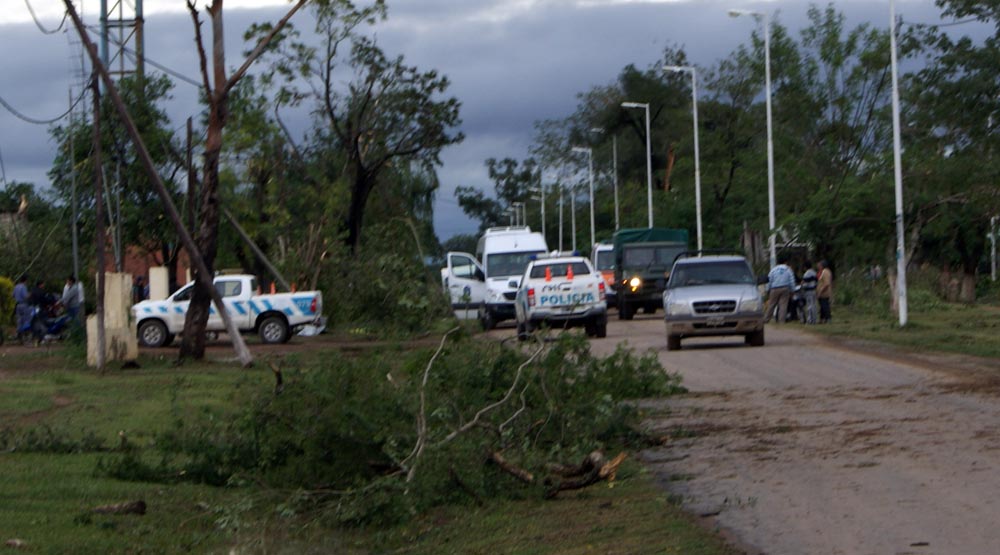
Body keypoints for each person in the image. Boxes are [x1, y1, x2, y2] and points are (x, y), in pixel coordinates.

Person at [764, 255, 796, 324]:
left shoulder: (773, 270)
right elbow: (792, 280)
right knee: (783, 305)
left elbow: (769, 280)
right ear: (786, 262)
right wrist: (793, 290)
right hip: (785, 288)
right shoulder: (788, 269)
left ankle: (766, 319)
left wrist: (767, 290)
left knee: (771, 304)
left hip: (774, 288)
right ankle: (782, 321)